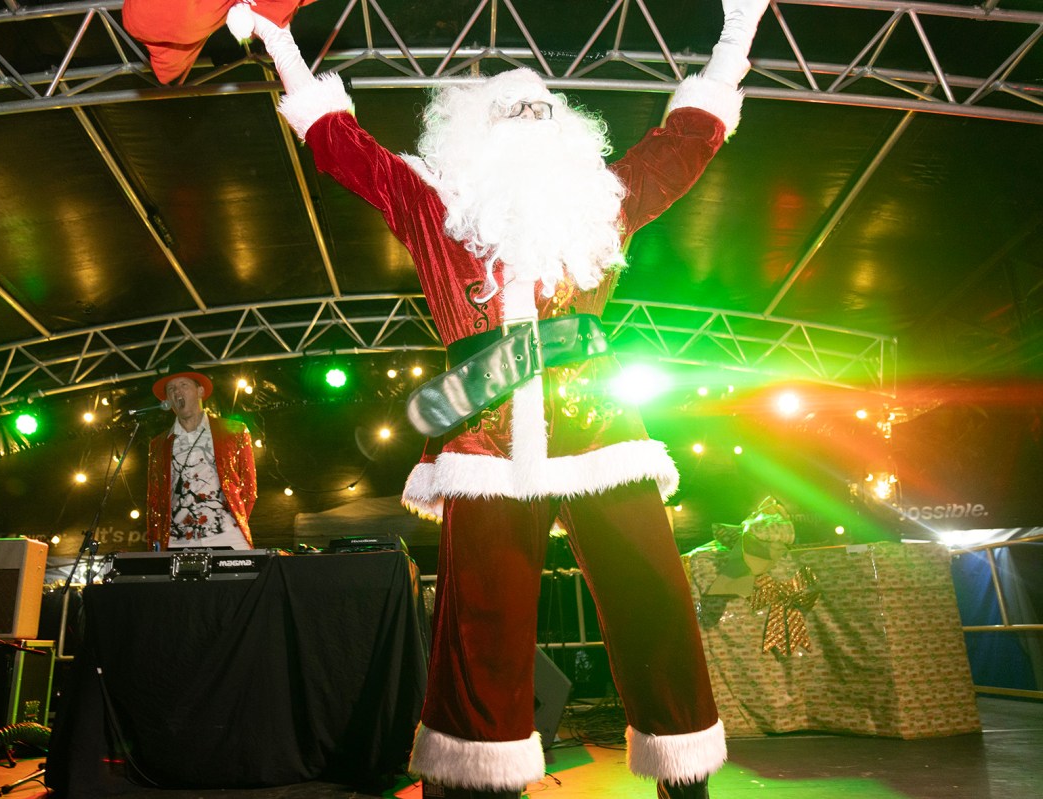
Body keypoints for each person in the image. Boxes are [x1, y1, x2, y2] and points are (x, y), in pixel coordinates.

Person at [248, 3, 770, 797]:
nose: (529, 124)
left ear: (566, 136)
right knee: (482, 621)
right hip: (486, 444)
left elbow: (687, 141)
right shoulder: (436, 207)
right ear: (473, 138)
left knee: (655, 598)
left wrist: (739, 31)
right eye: (511, 113)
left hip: (600, 433)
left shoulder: (601, 203)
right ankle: (477, 783)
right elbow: (339, 145)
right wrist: (280, 40)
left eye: (542, 112)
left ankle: (684, 774)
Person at [145, 368, 258, 551]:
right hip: (178, 539)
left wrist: (230, 519)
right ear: (167, 400)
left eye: (184, 385)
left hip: (228, 535)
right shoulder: (159, 444)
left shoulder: (234, 431)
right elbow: (155, 499)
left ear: (200, 391)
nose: (177, 392)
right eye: (171, 389)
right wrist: (155, 541)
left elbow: (249, 488)